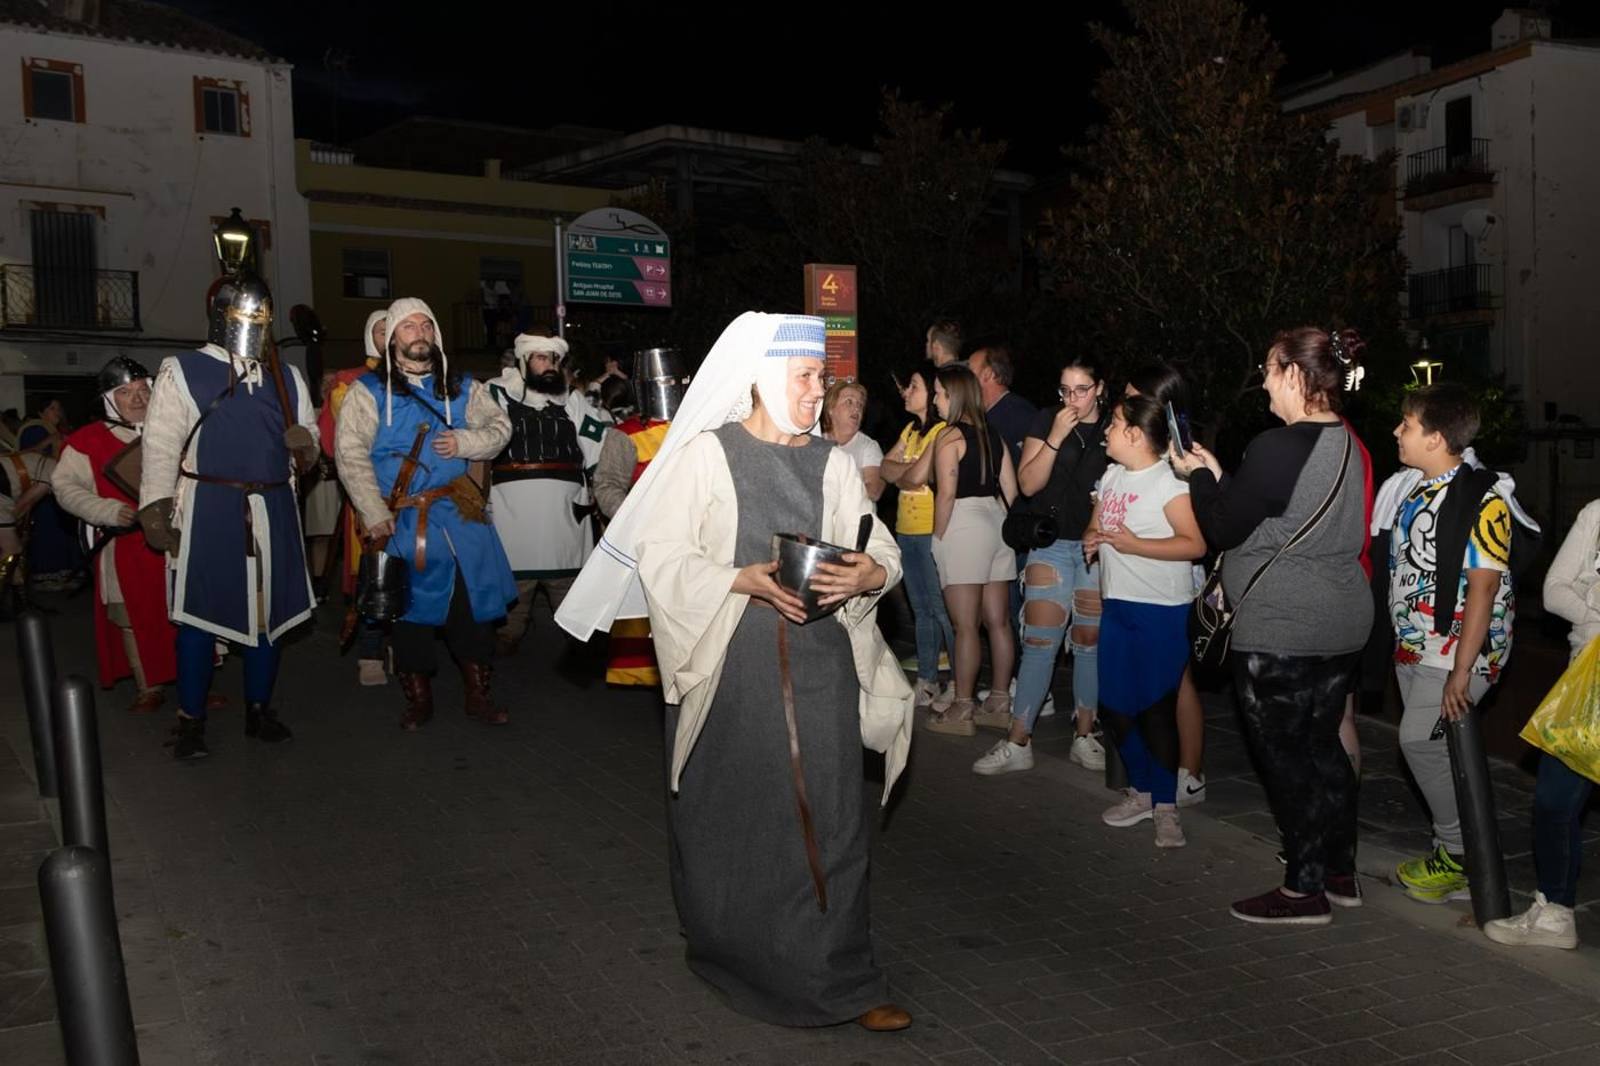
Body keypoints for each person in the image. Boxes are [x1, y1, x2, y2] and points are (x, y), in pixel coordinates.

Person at [554, 312, 915, 1031]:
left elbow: (882, 549)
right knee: (745, 817)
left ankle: (842, 976)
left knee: (834, 817)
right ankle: (738, 951)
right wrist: (742, 579)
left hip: (822, 663)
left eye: (823, 378)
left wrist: (873, 571)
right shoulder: (705, 457)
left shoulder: (835, 463)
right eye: (807, 378)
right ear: (761, 378)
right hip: (733, 661)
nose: (820, 392)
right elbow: (663, 557)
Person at [1173, 326, 1372, 925]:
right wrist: (1219, 476)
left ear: (1293, 374)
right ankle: (1340, 871)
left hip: (1284, 626)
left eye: (1266, 367)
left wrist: (1199, 477)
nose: (1261, 380)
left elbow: (1224, 529)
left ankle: (1302, 890)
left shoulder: (1278, 445)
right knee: (1322, 747)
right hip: (1340, 618)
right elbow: (1273, 517)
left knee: (1286, 760)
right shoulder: (1348, 442)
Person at [139, 272, 319, 759]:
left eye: (260, 314)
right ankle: (190, 718)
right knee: (198, 614)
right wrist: (155, 507)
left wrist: (308, 445)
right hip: (210, 508)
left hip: (274, 507)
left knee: (269, 617)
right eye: (243, 314)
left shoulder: (288, 377)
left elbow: (309, 438)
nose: (252, 323)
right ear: (219, 315)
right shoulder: (182, 369)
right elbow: (159, 444)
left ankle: (258, 710)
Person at [335, 298, 517, 731]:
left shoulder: (463, 387)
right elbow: (350, 454)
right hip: (402, 520)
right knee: (409, 612)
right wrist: (373, 510)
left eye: (426, 326)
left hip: (460, 515)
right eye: (408, 327)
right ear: (392, 337)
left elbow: (500, 429)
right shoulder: (368, 391)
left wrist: (465, 444)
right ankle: (419, 699)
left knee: (473, 606)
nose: (419, 333)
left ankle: (478, 693)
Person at [1385, 384, 1516, 905]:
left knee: (1418, 741)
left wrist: (1463, 671)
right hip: (1417, 645)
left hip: (1458, 652)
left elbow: (1483, 589)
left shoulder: (1484, 500)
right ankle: (1465, 859)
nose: (1397, 431)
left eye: (1407, 425)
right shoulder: (1416, 487)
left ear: (1436, 438)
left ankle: (1459, 854)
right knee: (1442, 750)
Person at [972, 355, 1109, 775]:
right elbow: (1028, 484)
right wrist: (1055, 436)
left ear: (1100, 388)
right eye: (1065, 390)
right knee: (1039, 644)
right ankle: (1018, 741)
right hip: (1049, 546)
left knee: (1089, 643)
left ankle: (1085, 734)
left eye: (1081, 390)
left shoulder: (1115, 425)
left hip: (1095, 548)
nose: (1073, 398)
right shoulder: (1048, 418)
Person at [1086, 395, 1205, 846]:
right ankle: (1143, 789)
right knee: (1114, 708)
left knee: (1156, 711)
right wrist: (1093, 540)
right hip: (1117, 604)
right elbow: (1096, 525)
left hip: (1162, 609)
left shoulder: (1169, 483)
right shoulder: (1113, 475)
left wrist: (1136, 546)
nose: (1107, 432)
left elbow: (1194, 544)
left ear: (1135, 434)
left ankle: (1165, 806)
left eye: (1114, 424)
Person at [1485, 496, 1600, 949]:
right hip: (1588, 680)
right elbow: (1554, 591)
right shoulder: (1596, 513)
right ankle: (1554, 913)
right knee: (1555, 800)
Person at [53, 358, 178, 714]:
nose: (137, 399)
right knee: (131, 615)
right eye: (125, 392)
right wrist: (108, 510)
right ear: (110, 399)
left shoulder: (174, 430)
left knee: (184, 610)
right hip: (125, 544)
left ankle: (193, 678)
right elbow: (64, 488)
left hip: (176, 540)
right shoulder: (88, 441)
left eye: (142, 389)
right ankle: (147, 686)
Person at [484, 333, 611, 659]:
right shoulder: (494, 394)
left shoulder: (571, 400)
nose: (549, 365)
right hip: (509, 510)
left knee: (568, 583)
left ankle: (580, 642)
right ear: (524, 361)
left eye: (554, 359)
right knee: (513, 586)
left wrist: (604, 494)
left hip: (565, 512)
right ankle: (506, 635)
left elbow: (597, 448)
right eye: (541, 358)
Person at [1124, 363, 1208, 803]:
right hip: (1137, 577)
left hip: (1172, 577)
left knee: (1179, 680)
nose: (1125, 407)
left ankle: (1189, 772)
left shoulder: (1183, 452)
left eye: (1133, 398)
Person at [922, 365, 1018, 735]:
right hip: (997, 522)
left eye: (939, 393)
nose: (935, 400)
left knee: (964, 626)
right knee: (998, 620)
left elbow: (946, 493)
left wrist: (938, 538)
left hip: (963, 522)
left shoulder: (949, 437)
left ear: (955, 395)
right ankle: (998, 699)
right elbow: (1010, 491)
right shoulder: (993, 435)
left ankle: (962, 706)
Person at [590, 348, 685, 687]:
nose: (668, 387)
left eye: (674, 381)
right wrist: (633, 518)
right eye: (661, 382)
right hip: (645, 538)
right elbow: (607, 484)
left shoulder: (701, 426)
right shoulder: (625, 434)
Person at [320, 310, 391, 685]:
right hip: (373, 491)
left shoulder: (427, 380)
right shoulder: (349, 383)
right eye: (382, 330)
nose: (389, 335)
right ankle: (370, 653)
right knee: (375, 572)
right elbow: (350, 444)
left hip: (421, 496)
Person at [879, 365, 954, 708]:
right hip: (905, 532)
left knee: (942, 610)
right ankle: (928, 679)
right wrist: (906, 474)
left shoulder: (941, 431)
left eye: (914, 386)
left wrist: (904, 474)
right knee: (921, 608)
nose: (906, 392)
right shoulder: (911, 430)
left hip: (929, 531)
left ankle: (958, 681)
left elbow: (912, 477)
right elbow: (885, 468)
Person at [17, 397, 82, 589]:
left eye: (59, 408)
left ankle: (64, 573)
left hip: (55, 488)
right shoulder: (35, 429)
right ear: (41, 412)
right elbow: (29, 456)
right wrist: (50, 441)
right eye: (53, 408)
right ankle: (46, 576)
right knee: (47, 531)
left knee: (61, 530)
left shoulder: (54, 431)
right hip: (40, 489)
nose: (58, 412)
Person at [820, 381, 884, 500]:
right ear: (830, 409)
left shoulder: (868, 446)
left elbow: (873, 492)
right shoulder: (816, 443)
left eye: (860, 405)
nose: (856, 408)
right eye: (849, 401)